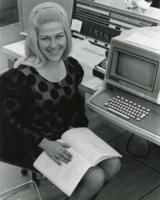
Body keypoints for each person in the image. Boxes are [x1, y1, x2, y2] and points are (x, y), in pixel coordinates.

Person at [0, 2, 121, 200]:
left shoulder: (71, 67)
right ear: (35, 40)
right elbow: (7, 123)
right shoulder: (19, 78)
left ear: (67, 35)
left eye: (59, 36)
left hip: (66, 135)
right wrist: (44, 143)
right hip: (32, 140)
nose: (54, 45)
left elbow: (75, 109)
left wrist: (80, 137)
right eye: (45, 38)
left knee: (113, 164)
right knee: (96, 178)